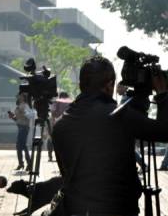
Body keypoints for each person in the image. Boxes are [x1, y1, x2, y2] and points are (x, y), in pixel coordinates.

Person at [53, 56, 168, 215]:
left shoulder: (60, 124)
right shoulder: (119, 117)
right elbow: (164, 131)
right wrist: (162, 94)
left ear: (81, 85)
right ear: (109, 85)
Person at [8, 93, 31, 171]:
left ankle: (24, 163)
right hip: (20, 126)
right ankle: (25, 163)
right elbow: (18, 119)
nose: (18, 97)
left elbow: (28, 116)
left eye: (20, 96)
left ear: (23, 97)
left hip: (24, 127)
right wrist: (13, 117)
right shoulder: (20, 105)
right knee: (22, 146)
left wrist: (22, 113)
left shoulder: (25, 105)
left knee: (20, 146)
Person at [49, 92, 72, 162]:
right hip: (68, 125)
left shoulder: (57, 102)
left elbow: (53, 113)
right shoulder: (71, 103)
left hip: (58, 124)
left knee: (54, 141)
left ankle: (53, 155)